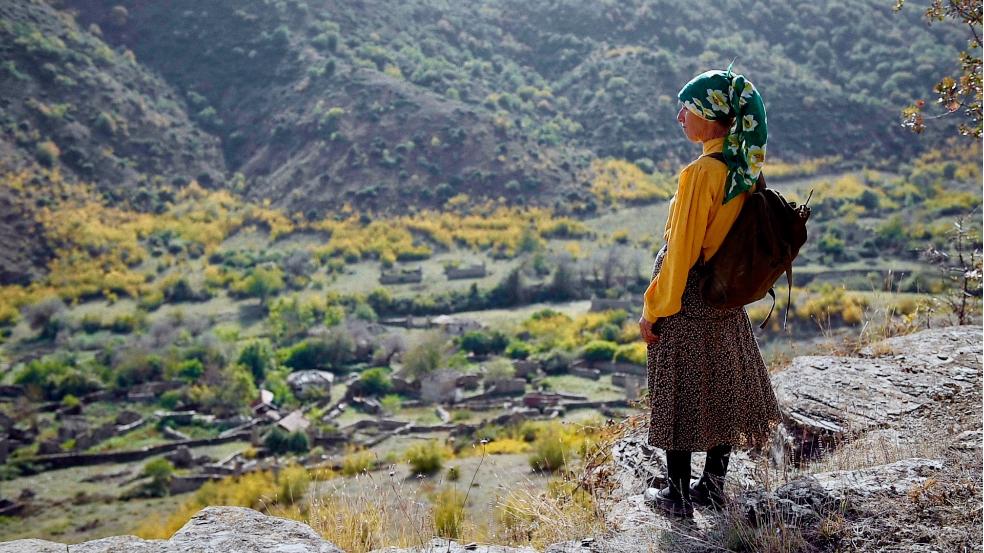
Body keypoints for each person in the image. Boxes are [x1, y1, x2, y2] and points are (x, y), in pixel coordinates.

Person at [637, 67, 782, 518]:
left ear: (713, 118)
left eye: (688, 108)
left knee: (679, 392)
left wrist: (655, 309)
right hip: (724, 299)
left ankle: (677, 498)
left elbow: (681, 252)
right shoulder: (743, 168)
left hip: (688, 298)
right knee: (721, 386)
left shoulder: (701, 173)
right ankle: (712, 487)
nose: (680, 116)